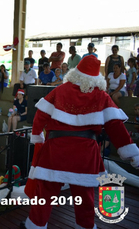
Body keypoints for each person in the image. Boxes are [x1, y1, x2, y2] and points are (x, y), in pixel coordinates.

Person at [24, 55, 139, 229]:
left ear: (74, 73)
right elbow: (115, 127)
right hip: (85, 153)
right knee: (85, 196)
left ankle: (35, 225)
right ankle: (84, 226)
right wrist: (132, 154)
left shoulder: (60, 90)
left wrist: (37, 136)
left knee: (46, 192)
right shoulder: (101, 96)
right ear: (97, 79)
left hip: (56, 149)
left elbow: (40, 115)